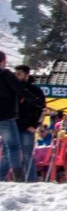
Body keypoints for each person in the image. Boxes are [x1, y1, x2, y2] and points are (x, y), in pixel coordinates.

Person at [12, 62, 46, 182]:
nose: (16, 76)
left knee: (27, 155)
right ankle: (13, 180)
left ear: (27, 75)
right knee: (9, 155)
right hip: (12, 126)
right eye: (15, 74)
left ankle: (31, 180)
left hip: (27, 128)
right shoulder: (12, 90)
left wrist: (35, 125)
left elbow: (43, 110)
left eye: (19, 74)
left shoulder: (36, 91)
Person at [0, 51, 23, 181]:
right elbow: (20, 89)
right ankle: (18, 177)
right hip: (5, 116)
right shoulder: (6, 74)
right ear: (2, 61)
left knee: (6, 149)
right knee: (13, 146)